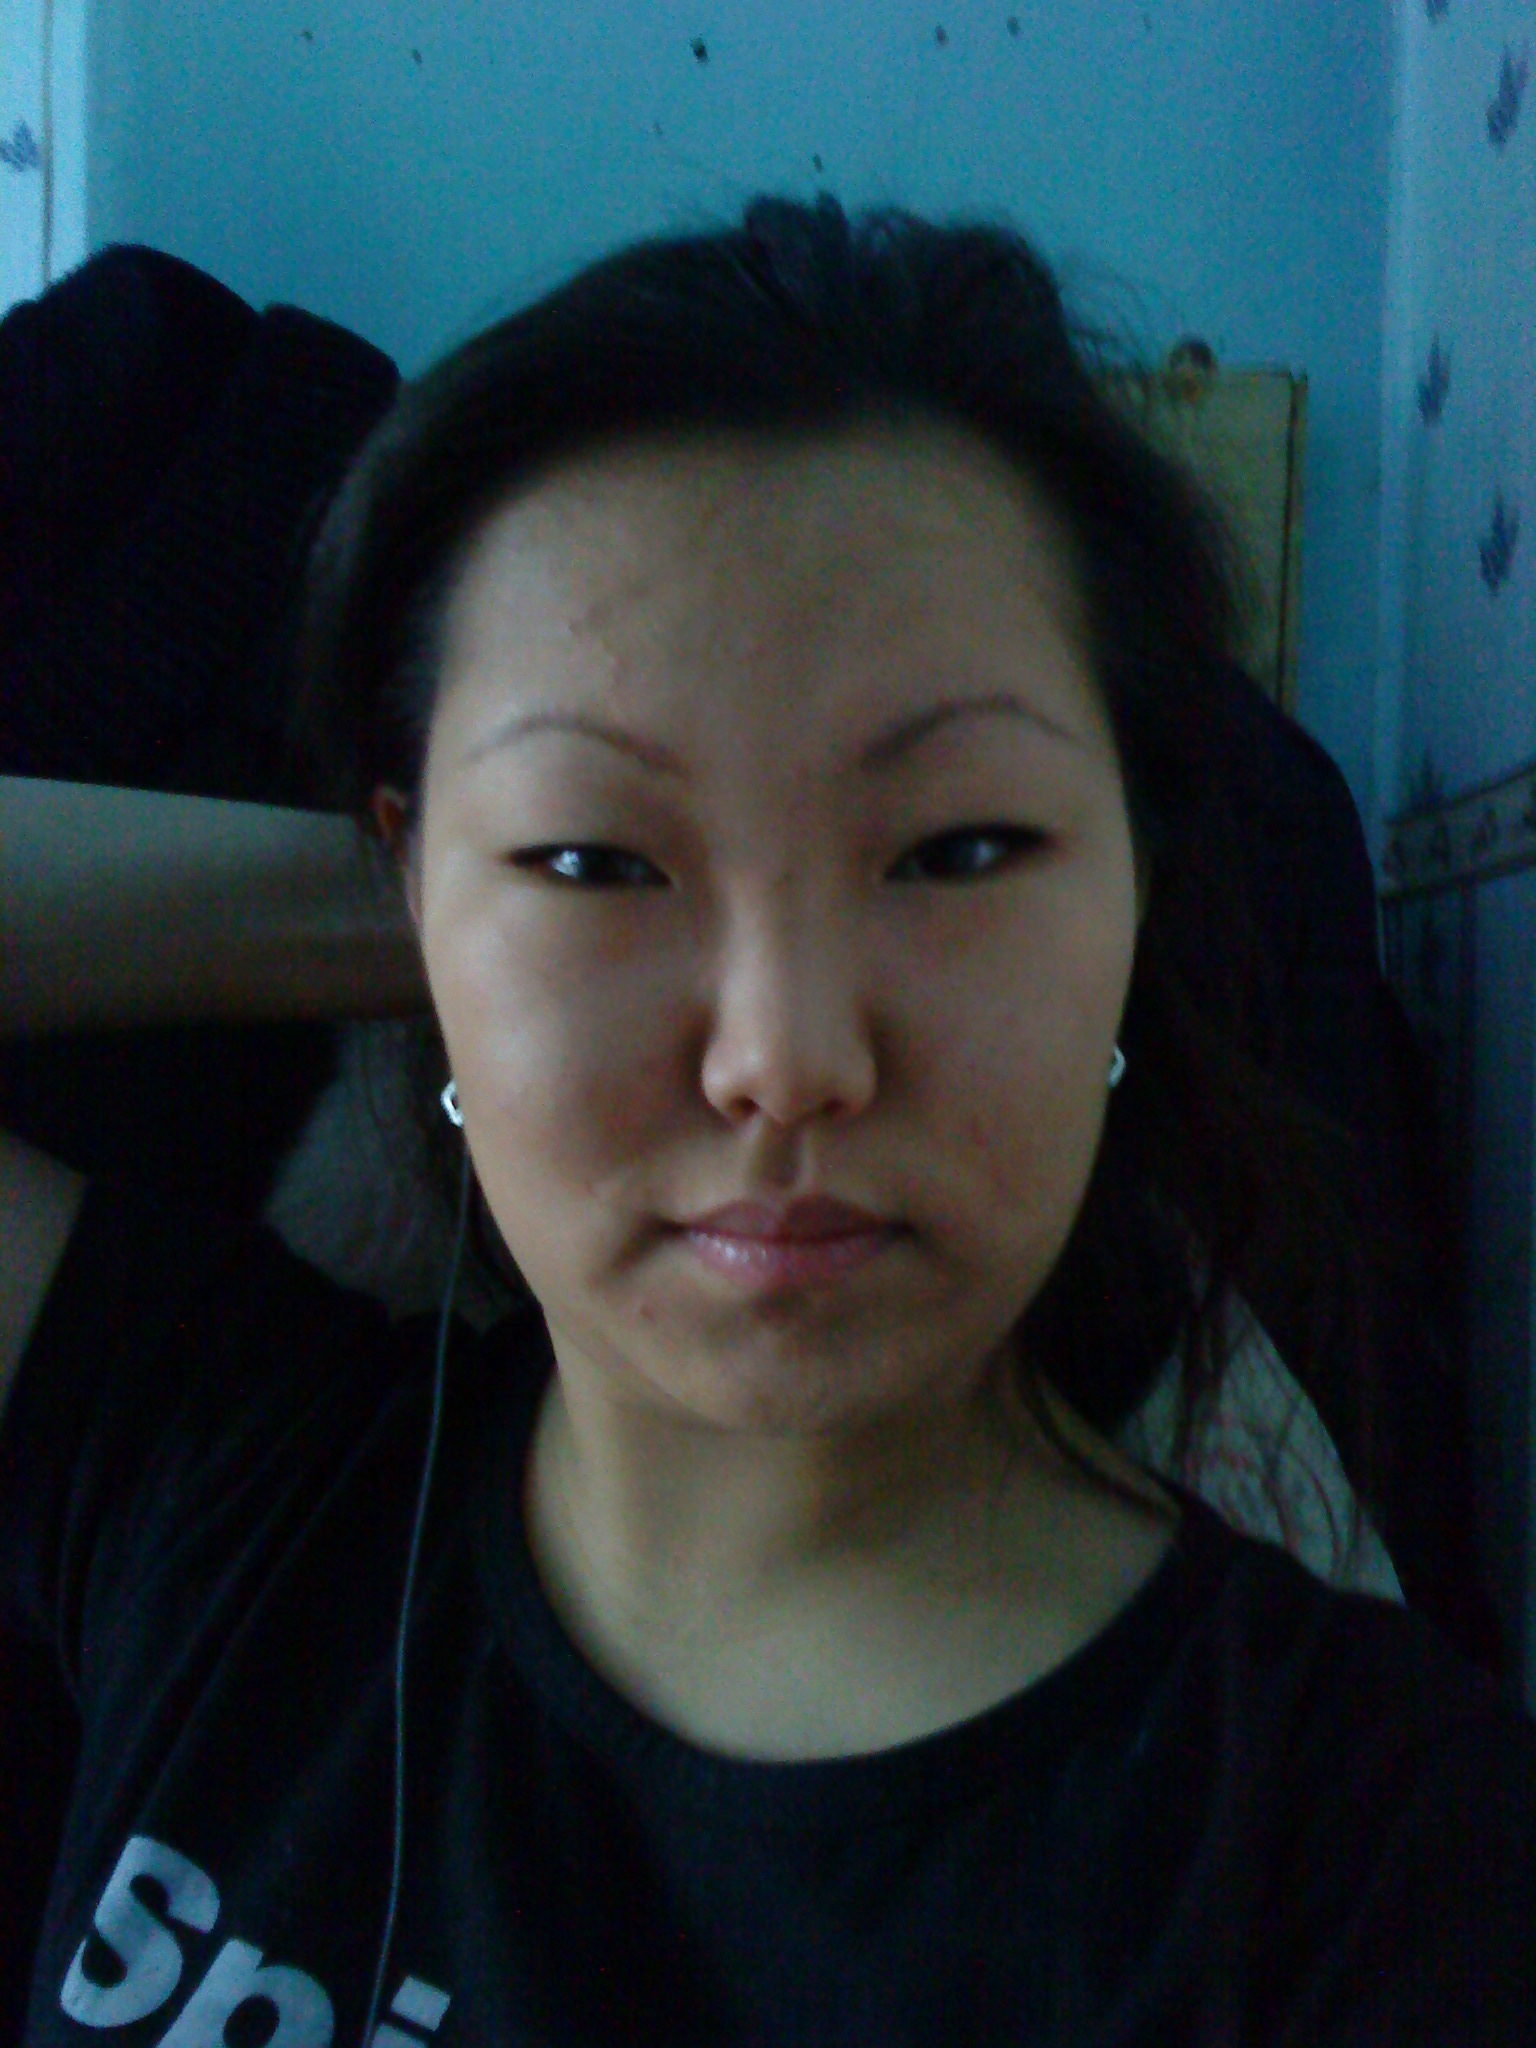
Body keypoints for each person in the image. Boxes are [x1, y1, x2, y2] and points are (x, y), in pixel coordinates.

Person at [2, 192, 1532, 2044]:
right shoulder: (225, 1481)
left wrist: (535, 883)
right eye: (597, 859)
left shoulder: (1391, 1852)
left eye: (961, 849)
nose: (787, 1059)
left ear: (1140, 884)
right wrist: (466, 915)